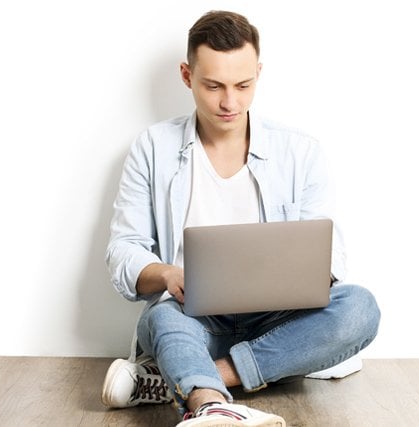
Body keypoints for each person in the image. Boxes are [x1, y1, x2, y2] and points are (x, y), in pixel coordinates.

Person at [102, 10, 380, 427]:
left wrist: (307, 275)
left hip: (279, 321)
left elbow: (331, 258)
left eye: (243, 85)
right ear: (186, 75)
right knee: (160, 317)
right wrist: (167, 274)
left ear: (258, 73)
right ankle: (213, 401)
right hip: (190, 316)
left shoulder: (300, 151)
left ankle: (199, 382)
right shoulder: (152, 148)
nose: (229, 102)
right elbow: (124, 251)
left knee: (360, 308)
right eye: (213, 86)